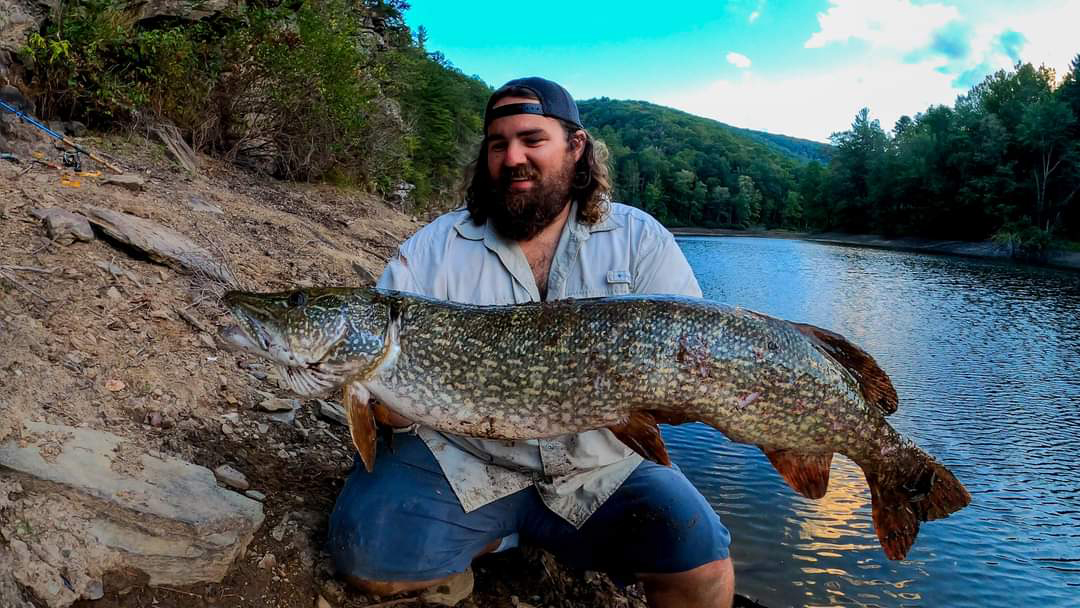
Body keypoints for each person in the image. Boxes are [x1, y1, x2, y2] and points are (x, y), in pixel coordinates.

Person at [327, 77, 735, 607]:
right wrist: (391, 405)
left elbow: (693, 357)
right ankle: (503, 536)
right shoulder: (432, 249)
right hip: (466, 457)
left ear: (576, 146)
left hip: (601, 464)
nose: (513, 157)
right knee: (367, 558)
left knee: (702, 571)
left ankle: (512, 539)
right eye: (498, 145)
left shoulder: (640, 240)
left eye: (531, 139)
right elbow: (388, 406)